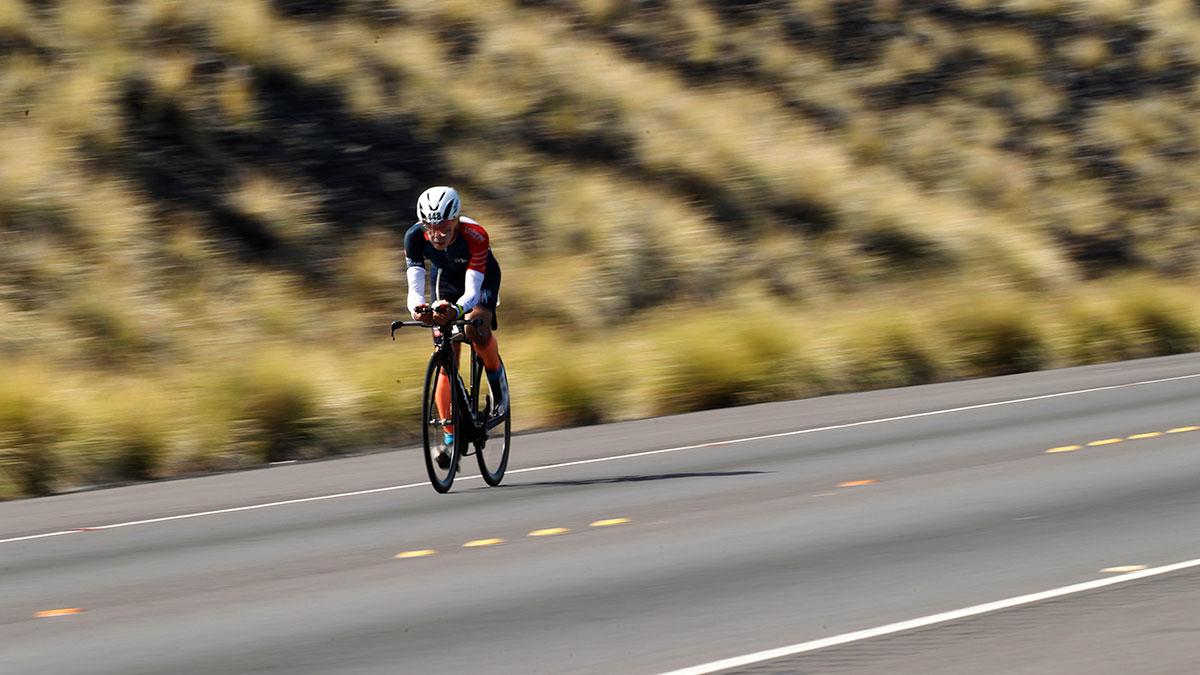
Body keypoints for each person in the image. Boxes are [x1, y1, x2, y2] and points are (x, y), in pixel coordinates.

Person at [404, 186, 508, 465]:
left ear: (457, 219)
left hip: (481, 279)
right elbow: (414, 286)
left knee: (475, 327)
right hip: (446, 281)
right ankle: (450, 436)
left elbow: (473, 292)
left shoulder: (475, 234)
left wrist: (457, 310)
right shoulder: (414, 237)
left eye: (445, 226)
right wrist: (417, 309)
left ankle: (498, 382)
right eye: (430, 226)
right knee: (444, 353)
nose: (437, 233)